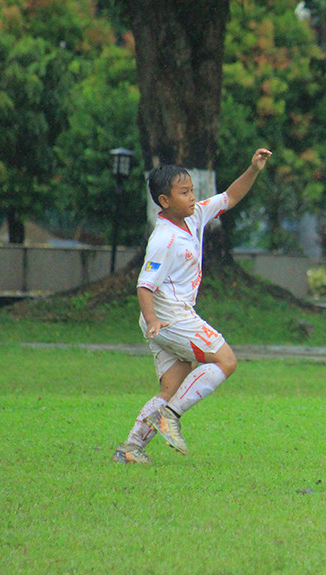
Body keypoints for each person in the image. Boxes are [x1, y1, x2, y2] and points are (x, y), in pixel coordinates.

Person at [112, 148, 272, 463]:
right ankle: (168, 416)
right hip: (169, 317)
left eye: (192, 191)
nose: (191, 197)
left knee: (171, 386)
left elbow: (230, 197)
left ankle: (131, 448)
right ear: (164, 201)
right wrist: (154, 320)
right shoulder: (163, 240)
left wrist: (253, 168)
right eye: (184, 193)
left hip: (168, 318)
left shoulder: (195, 215)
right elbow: (145, 285)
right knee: (226, 361)